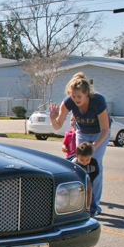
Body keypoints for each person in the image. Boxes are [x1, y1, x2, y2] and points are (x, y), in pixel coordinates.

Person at [49, 72, 110, 216]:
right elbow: (57, 126)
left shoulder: (98, 101)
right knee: (79, 165)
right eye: (73, 96)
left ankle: (94, 206)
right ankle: (79, 202)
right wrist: (53, 118)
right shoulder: (69, 101)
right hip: (82, 132)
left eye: (79, 96)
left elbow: (105, 129)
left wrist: (94, 145)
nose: (76, 99)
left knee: (94, 164)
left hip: (99, 134)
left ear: (87, 93)